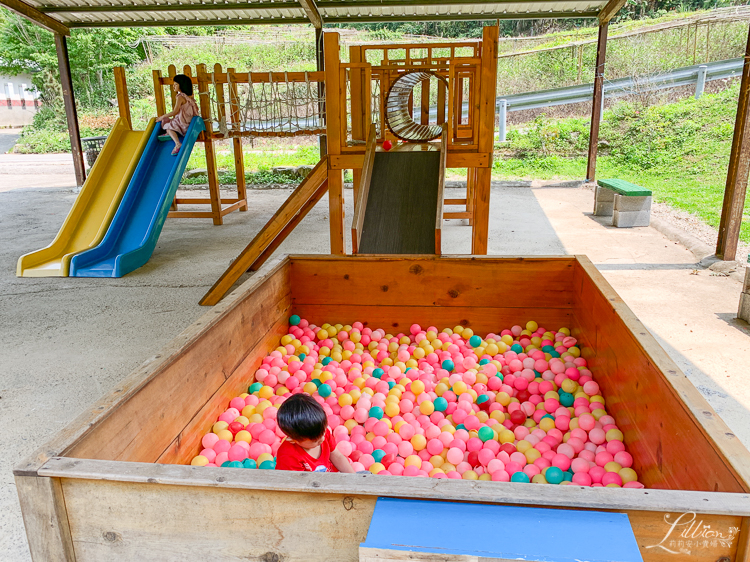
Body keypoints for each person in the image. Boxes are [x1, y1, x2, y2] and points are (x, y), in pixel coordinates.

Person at [275, 394, 354, 473]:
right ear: (293, 440)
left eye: (323, 432)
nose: (322, 439)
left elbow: (338, 456)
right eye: (315, 440)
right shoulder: (288, 456)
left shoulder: (321, 432)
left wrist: (353, 478)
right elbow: (297, 484)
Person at [156, 74, 200, 155]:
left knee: (168, 126)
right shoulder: (190, 96)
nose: (174, 86)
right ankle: (171, 133)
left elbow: (175, 112)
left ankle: (177, 143)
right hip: (189, 122)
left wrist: (161, 117)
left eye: (176, 84)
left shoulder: (180, 97)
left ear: (181, 85)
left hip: (182, 122)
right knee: (169, 122)